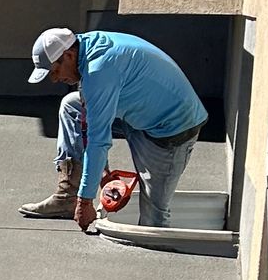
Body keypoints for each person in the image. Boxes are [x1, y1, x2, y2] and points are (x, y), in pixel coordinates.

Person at [21, 26, 208, 231]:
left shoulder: (99, 68)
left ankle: (155, 255)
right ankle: (67, 197)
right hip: (137, 109)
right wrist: (101, 174)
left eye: (55, 71)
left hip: (171, 129)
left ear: (68, 55)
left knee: (154, 219)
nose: (54, 79)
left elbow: (98, 141)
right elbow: (87, 111)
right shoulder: (85, 46)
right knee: (71, 106)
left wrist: (86, 202)